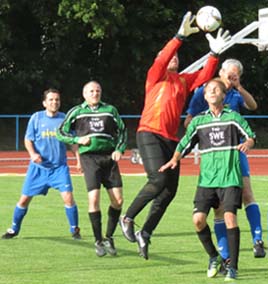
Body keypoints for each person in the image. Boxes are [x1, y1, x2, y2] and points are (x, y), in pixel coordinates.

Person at [119, 11, 231, 260]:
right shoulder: (155, 76)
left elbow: (203, 77)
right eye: (170, 55)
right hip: (149, 133)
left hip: (170, 140)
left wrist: (214, 55)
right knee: (157, 181)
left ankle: (145, 233)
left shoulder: (182, 80)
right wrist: (179, 37)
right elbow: (163, 59)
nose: (174, 58)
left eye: (177, 56)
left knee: (170, 191)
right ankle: (127, 218)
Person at [159, 78, 256, 281]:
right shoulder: (199, 121)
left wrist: (248, 142)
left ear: (223, 95)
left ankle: (233, 268)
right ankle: (214, 256)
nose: (211, 92)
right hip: (207, 181)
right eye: (208, 90)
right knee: (198, 220)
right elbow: (184, 143)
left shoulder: (233, 117)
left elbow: (250, 136)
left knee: (229, 217)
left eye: (215, 89)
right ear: (204, 97)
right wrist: (174, 160)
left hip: (230, 178)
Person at [184, 58, 266, 261]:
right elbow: (188, 121)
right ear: (220, 72)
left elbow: (253, 105)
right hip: (214, 154)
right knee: (219, 207)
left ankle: (258, 239)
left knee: (247, 194)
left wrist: (239, 86)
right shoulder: (205, 92)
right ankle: (225, 255)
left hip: (235, 151)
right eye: (229, 74)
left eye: (235, 75)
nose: (231, 78)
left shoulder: (236, 94)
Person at [56, 81, 127, 257]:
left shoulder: (110, 110)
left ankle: (109, 237)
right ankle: (98, 240)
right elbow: (60, 132)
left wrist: (119, 149)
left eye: (97, 91)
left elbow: (123, 131)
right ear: (84, 94)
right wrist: (77, 140)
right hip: (90, 159)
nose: (95, 93)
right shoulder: (77, 111)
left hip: (109, 158)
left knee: (118, 200)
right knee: (93, 199)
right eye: (91, 91)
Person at [2, 88, 81, 240]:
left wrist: (78, 159)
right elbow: (28, 139)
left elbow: (72, 143)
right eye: (51, 100)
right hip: (38, 169)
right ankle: (14, 229)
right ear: (44, 103)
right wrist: (33, 154)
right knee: (24, 199)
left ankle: (74, 230)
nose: (54, 102)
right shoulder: (36, 118)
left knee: (68, 198)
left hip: (59, 168)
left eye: (57, 99)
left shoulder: (65, 119)